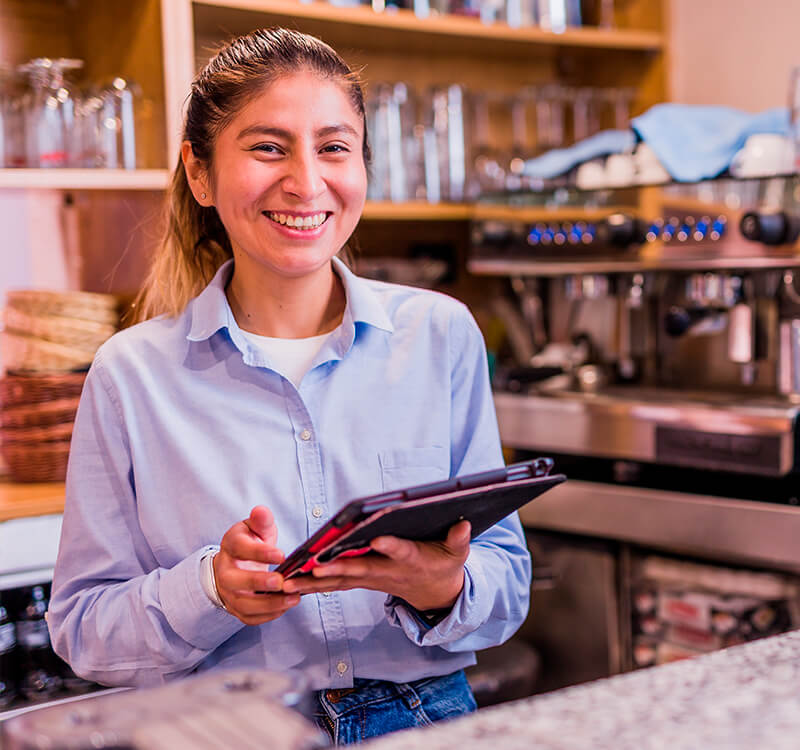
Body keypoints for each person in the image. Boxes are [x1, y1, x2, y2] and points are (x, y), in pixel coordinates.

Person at [47, 27, 531, 744]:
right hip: (224, 730)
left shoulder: (441, 334)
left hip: (426, 725)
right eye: (268, 147)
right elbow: (84, 631)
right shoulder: (131, 374)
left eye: (334, 147)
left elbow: (507, 584)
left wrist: (442, 588)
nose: (307, 181)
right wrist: (211, 589)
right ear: (201, 173)